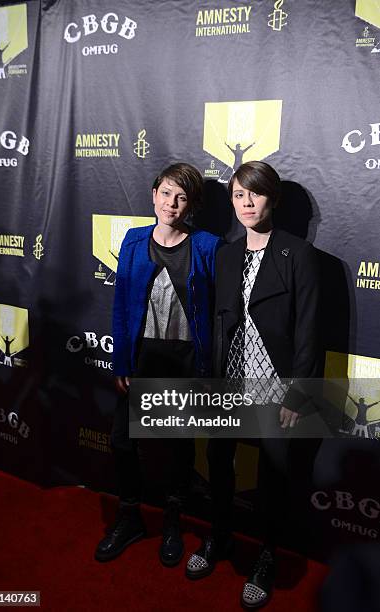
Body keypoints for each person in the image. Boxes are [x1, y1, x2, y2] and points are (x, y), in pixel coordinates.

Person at [185, 161, 321, 608]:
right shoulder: (225, 254)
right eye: (238, 195)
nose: (246, 203)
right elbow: (218, 321)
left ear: (273, 199)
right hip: (231, 380)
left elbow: (308, 332)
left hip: (276, 386)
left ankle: (267, 556)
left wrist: (298, 394)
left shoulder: (297, 254)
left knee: (273, 478)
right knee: (217, 462)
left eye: (255, 194)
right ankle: (219, 537)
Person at [95, 163, 221, 567]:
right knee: (122, 440)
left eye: (181, 197)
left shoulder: (207, 246)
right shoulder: (132, 241)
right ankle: (129, 516)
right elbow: (120, 306)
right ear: (154, 194)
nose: (172, 203)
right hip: (141, 356)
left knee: (178, 447)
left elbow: (218, 313)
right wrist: (121, 363)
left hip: (183, 360)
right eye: (166, 193)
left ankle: (172, 519)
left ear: (191, 205)